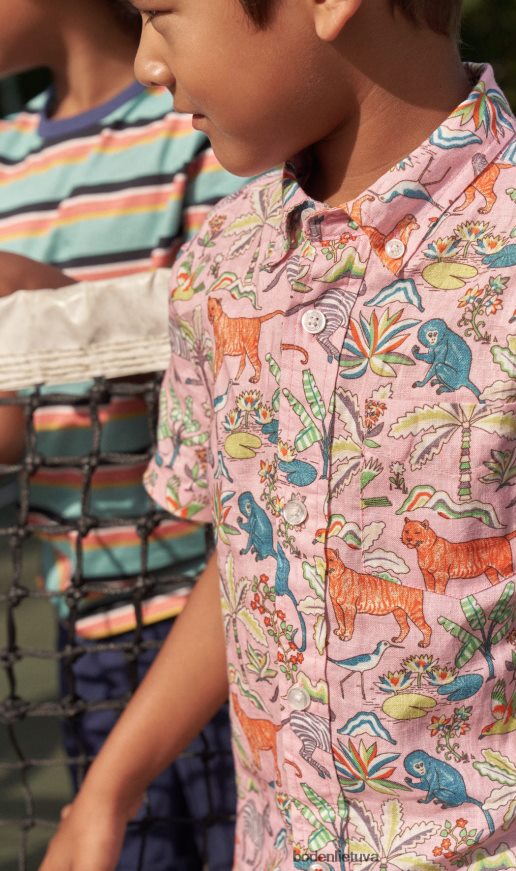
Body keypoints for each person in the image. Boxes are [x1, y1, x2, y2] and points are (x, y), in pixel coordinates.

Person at [39, 1, 516, 869]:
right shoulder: (222, 264)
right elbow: (256, 562)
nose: (148, 61)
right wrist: (108, 791)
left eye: (164, 13)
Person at [0, 2, 245, 868]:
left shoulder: (206, 122)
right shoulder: (5, 158)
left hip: (219, 621)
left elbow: (246, 368)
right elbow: (15, 426)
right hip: (86, 632)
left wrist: (57, 302)